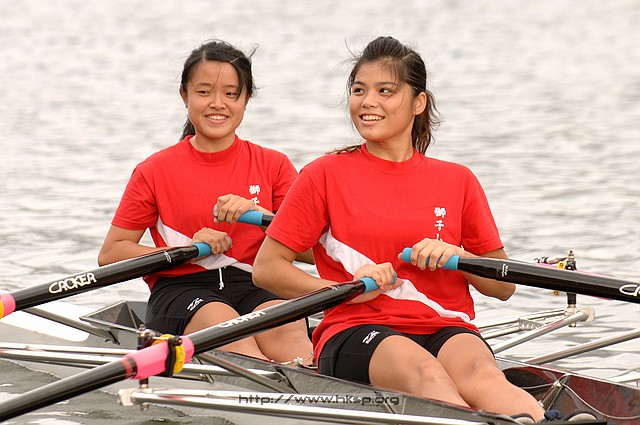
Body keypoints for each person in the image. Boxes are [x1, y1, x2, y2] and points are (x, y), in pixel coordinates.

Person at [253, 36, 597, 422]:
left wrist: (460, 257)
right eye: (359, 90)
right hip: (356, 327)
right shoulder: (323, 174)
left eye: (385, 91)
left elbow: (502, 288)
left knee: (483, 374)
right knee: (426, 373)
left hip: (445, 325)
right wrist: (345, 291)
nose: (367, 102)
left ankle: (540, 420)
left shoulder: (458, 180)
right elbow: (268, 268)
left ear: (418, 103)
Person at [98, 39, 313, 364]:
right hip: (183, 287)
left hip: (258, 283)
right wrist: (185, 250)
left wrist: (263, 217)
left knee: (292, 341)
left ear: (246, 99)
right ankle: (263, 380)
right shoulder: (155, 170)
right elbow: (111, 253)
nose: (217, 104)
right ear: (184, 96)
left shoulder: (275, 165)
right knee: (232, 335)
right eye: (204, 92)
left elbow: (312, 253)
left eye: (230, 94)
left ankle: (309, 383)